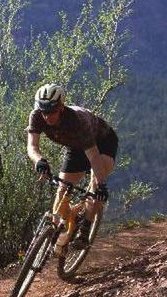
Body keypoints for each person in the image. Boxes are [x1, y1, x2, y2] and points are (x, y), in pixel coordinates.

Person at [26, 83, 118, 250]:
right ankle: (66, 226)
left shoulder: (77, 121)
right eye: (44, 111)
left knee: (95, 187)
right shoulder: (36, 116)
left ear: (61, 107)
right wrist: (39, 161)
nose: (47, 116)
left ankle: (85, 229)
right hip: (75, 147)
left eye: (52, 111)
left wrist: (102, 184)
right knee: (61, 190)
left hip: (102, 143)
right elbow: (32, 147)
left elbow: (94, 156)